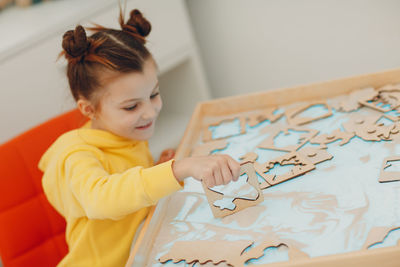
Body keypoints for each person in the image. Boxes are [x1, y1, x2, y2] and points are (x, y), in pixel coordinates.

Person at [38, 8, 240, 267]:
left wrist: (157, 168)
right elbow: (102, 200)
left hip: (145, 250)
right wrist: (177, 170)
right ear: (89, 109)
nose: (150, 111)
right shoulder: (75, 155)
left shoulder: (124, 133)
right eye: (131, 107)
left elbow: (130, 187)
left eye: (154, 94)